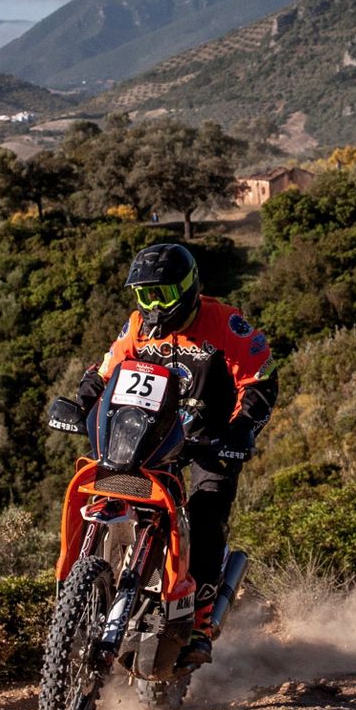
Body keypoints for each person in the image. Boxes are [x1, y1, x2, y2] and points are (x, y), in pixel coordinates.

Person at [77, 242, 276, 667]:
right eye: (144, 295)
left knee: (206, 511)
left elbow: (261, 380)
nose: (152, 305)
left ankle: (201, 622)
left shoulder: (225, 323)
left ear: (188, 288)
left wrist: (241, 430)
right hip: (152, 438)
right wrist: (79, 403)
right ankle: (86, 594)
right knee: (104, 484)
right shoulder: (137, 326)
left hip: (211, 438)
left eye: (162, 294)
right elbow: (105, 371)